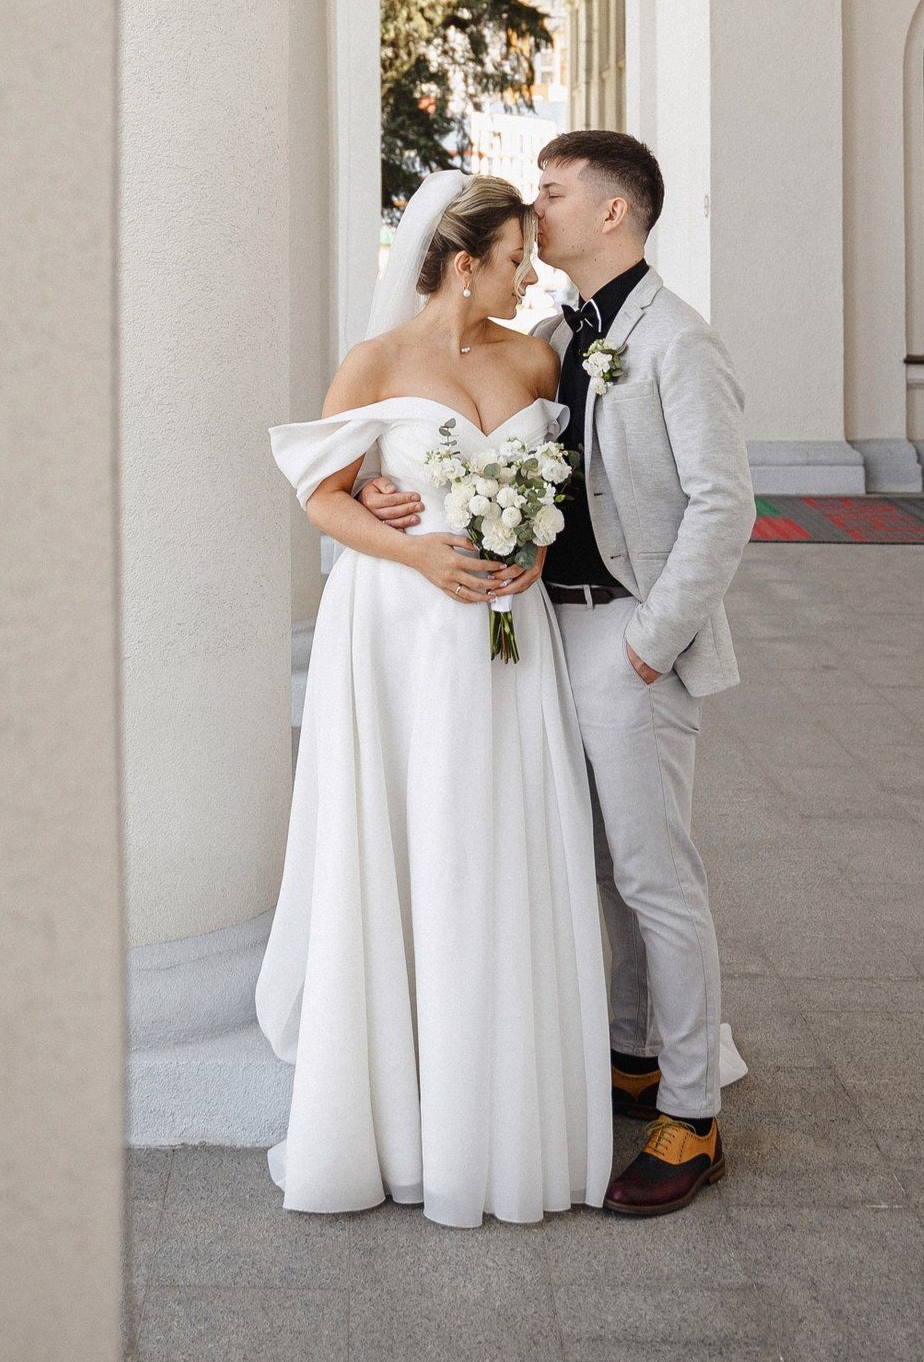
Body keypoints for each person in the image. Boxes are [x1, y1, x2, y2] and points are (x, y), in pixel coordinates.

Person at [362, 131, 754, 1217]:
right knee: (580, 862)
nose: (535, 210)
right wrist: (399, 494)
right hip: (543, 631)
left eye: (552, 192)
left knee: (653, 875)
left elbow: (726, 505)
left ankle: (689, 1111)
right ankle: (629, 1052)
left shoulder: (675, 341)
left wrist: (648, 641)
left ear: (613, 213)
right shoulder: (548, 332)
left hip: (629, 638)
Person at [258, 172, 614, 1229]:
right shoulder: (371, 363)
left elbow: (555, 482)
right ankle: (400, 1098)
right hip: (399, 634)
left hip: (508, 640)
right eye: (513, 258)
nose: (527, 273)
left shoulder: (533, 355)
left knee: (492, 841)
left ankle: (499, 1088)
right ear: (464, 263)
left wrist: (535, 542)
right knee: (411, 836)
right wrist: (410, 547)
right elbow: (320, 494)